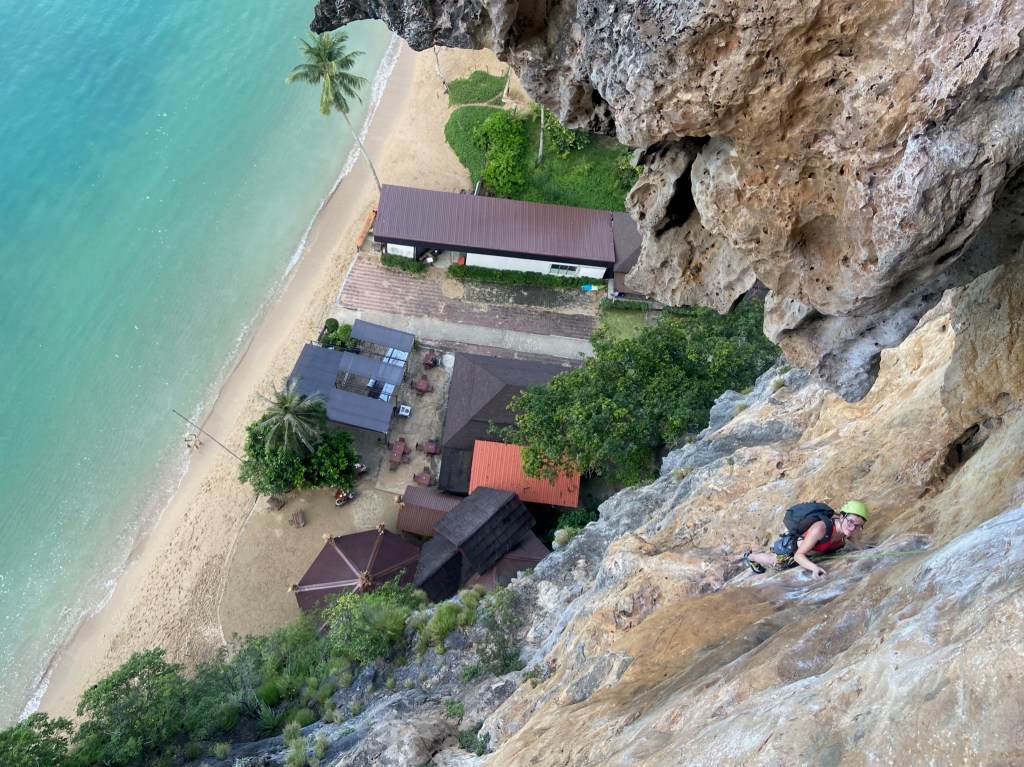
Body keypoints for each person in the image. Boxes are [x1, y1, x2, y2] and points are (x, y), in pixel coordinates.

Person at [744, 500, 869, 579]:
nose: (853, 527)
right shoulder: (820, 528)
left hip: (815, 549)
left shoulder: (849, 530)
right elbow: (799, 555)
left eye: (858, 525)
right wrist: (813, 568)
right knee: (777, 562)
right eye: (851, 522)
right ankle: (750, 557)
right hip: (796, 550)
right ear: (842, 517)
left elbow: (860, 546)